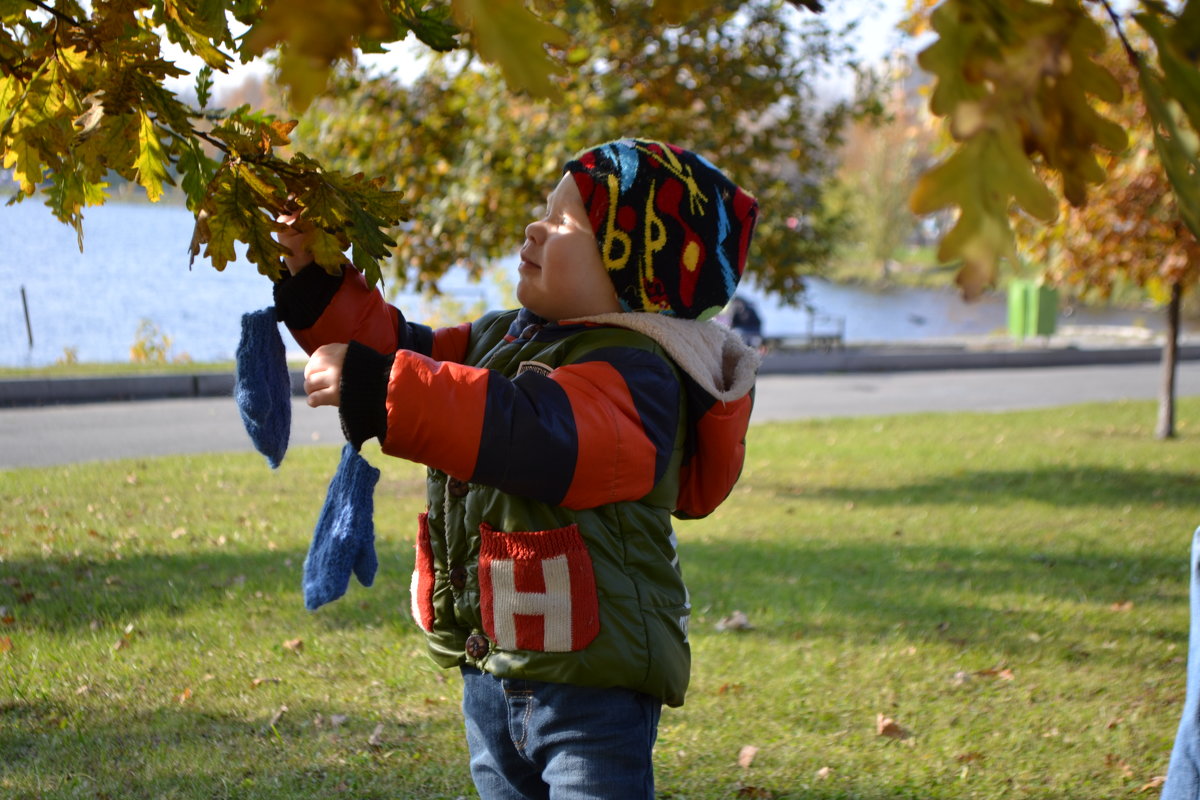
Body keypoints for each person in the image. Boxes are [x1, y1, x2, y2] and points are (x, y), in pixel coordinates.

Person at [271, 138, 760, 799]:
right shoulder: (502, 336)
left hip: (594, 687)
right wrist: (316, 278)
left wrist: (383, 390)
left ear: (632, 271)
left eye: (567, 222)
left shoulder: (640, 374)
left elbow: (531, 432)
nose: (537, 225)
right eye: (544, 208)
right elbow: (404, 349)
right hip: (496, 665)